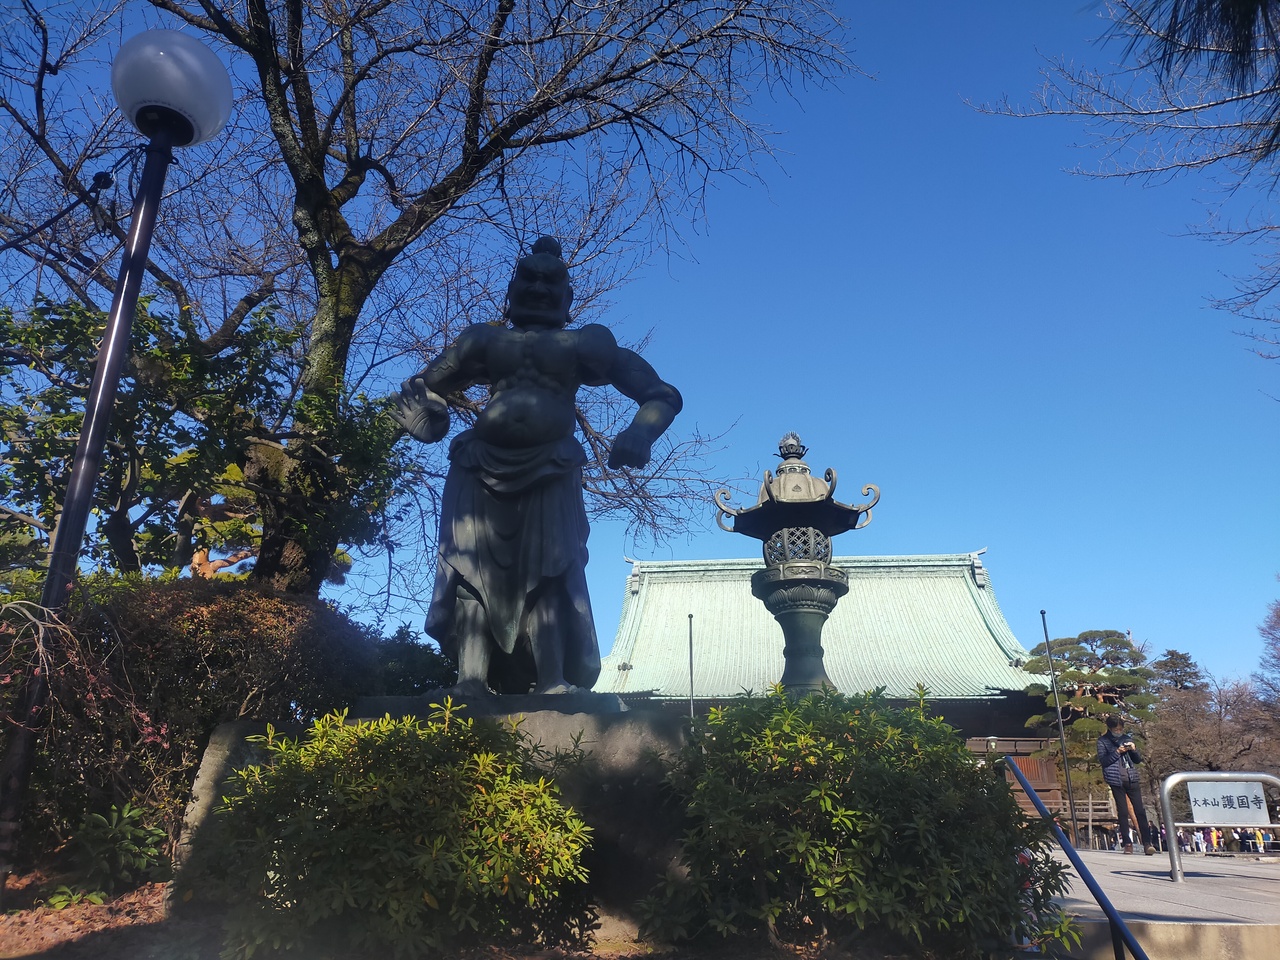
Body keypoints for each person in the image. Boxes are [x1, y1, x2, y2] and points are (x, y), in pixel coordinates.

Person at [392, 237, 683, 696]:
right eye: (529, 279)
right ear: (511, 291)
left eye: (551, 281)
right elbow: (422, 388)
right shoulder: (482, 340)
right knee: (468, 568)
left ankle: (552, 679)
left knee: (552, 567)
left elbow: (661, 394)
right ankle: (470, 680)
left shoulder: (586, 342)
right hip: (478, 465)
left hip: (551, 464)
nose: (539, 289)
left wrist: (640, 433)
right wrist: (427, 418)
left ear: (568, 296)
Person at [1097, 715, 1156, 855]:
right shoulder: (1102, 741)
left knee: (1140, 811)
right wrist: (1117, 752)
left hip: (1131, 777)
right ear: (1110, 728)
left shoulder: (1127, 738)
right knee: (1123, 812)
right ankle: (1127, 843)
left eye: (1120, 729)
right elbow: (1104, 761)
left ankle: (1147, 843)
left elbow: (1137, 760)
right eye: (1116, 729)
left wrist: (1133, 750)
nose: (1118, 731)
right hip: (1115, 779)